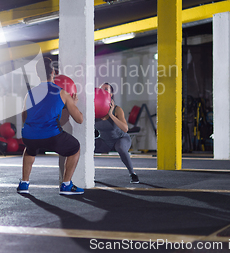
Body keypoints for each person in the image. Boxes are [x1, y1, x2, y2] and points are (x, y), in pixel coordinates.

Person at [17, 57, 84, 195]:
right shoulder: (62, 93)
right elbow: (79, 119)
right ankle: (66, 185)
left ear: (37, 73)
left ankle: (24, 183)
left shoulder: (29, 94)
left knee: (29, 149)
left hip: (29, 136)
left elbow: (24, 118)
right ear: (53, 72)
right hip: (51, 137)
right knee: (75, 147)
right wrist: (72, 104)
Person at [95, 83, 139, 183]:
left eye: (106, 89)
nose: (103, 91)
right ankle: (88, 174)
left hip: (121, 139)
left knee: (120, 148)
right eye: (101, 89)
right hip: (105, 142)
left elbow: (125, 128)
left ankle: (132, 174)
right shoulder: (94, 111)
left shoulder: (117, 109)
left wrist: (111, 114)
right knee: (86, 147)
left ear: (110, 94)